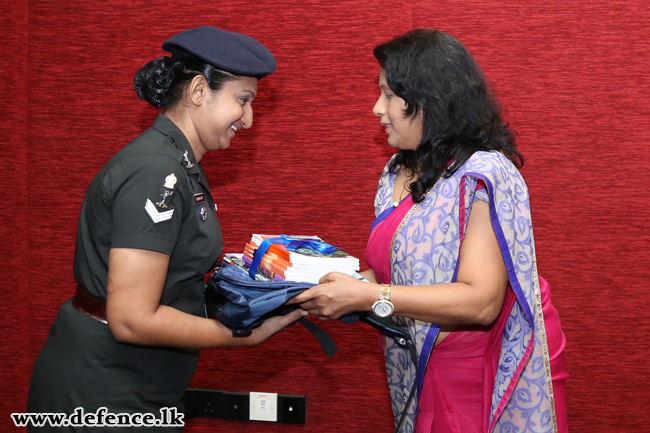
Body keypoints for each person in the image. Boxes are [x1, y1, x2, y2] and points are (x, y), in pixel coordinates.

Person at [26, 26, 303, 432]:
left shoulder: (179, 163)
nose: (248, 119)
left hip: (137, 386)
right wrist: (243, 337)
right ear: (197, 91)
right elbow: (132, 319)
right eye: (242, 101)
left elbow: (175, 277)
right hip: (103, 394)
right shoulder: (157, 170)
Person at [290, 29, 568, 433]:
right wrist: (313, 285)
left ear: (429, 99)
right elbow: (388, 278)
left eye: (388, 94)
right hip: (416, 361)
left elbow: (481, 302)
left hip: (482, 373)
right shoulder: (395, 173)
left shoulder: (484, 175)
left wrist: (368, 295)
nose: (376, 109)